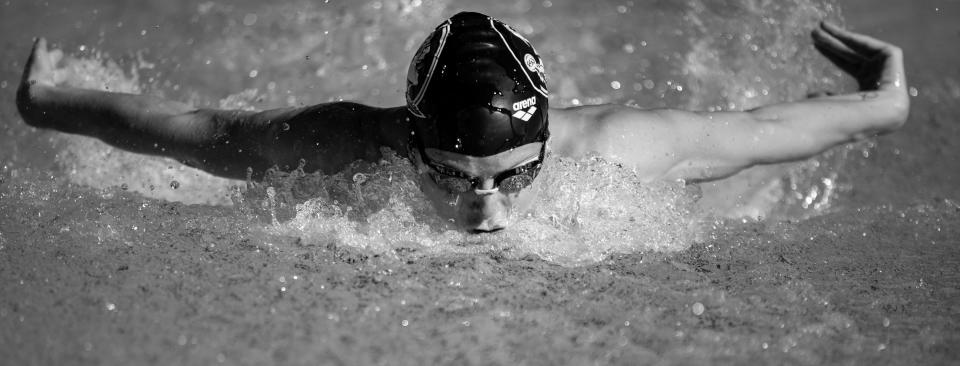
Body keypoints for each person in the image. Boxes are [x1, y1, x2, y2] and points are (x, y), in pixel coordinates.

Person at [16, 12, 908, 233]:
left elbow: (765, 126)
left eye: (516, 174)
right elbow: (196, 129)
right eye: (452, 174)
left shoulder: (625, 151)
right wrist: (48, 101)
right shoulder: (344, 145)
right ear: (410, 140)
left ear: (549, 142)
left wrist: (886, 103)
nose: (486, 209)